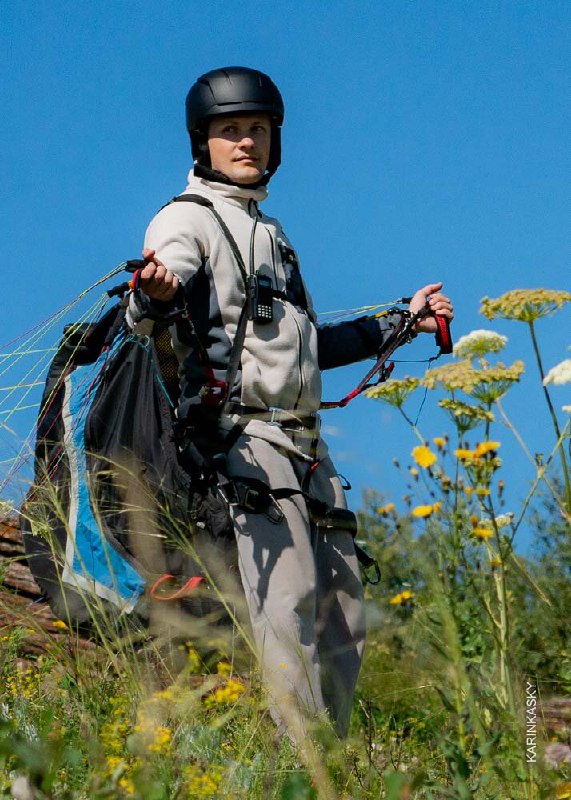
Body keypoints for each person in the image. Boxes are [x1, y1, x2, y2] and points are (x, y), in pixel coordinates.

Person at [127, 66, 453, 743]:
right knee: (291, 597)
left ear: (275, 139)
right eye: (229, 132)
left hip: (306, 446)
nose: (244, 142)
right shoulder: (187, 219)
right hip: (246, 442)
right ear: (203, 144)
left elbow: (300, 348)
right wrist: (155, 293)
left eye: (256, 129)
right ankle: (300, 762)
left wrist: (402, 322)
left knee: (343, 608)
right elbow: (157, 299)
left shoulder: (266, 230)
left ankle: (329, 760)